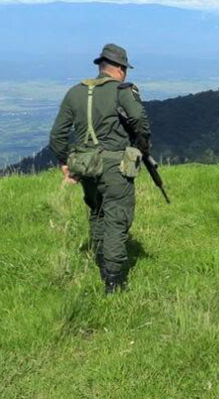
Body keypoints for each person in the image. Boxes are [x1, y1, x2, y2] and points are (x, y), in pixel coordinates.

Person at [49, 43, 151, 294]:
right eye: (124, 68)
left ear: (100, 67)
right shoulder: (122, 90)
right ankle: (113, 279)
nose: (125, 73)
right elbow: (139, 118)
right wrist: (142, 145)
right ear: (118, 69)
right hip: (115, 165)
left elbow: (57, 136)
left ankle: (99, 259)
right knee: (117, 217)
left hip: (86, 166)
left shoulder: (75, 92)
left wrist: (65, 163)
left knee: (97, 211)